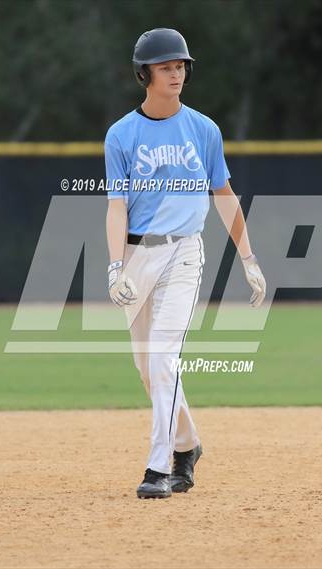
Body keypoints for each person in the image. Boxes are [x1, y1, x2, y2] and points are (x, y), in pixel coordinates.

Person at [105, 28, 266, 499]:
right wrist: (116, 267)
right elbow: (116, 205)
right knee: (147, 368)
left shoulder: (204, 129)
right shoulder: (122, 134)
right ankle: (188, 446)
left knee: (162, 357)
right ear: (144, 74)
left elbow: (225, 195)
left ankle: (159, 469)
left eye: (180, 66)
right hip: (136, 254)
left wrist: (249, 257)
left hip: (183, 251)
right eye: (165, 66)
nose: (175, 73)